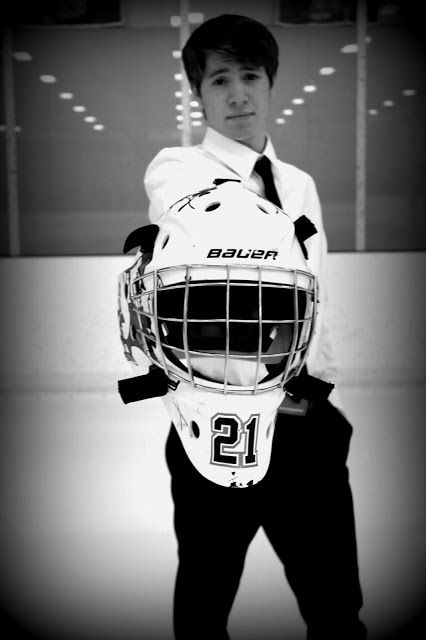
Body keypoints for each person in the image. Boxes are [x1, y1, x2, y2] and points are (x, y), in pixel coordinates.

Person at [143, 14, 367, 640]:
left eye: (250, 76)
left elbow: (311, 296)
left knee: (337, 612)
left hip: (303, 427)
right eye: (220, 80)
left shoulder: (299, 184)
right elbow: (211, 225)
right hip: (216, 426)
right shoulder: (178, 172)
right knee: (204, 614)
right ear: (199, 94)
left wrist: (320, 399)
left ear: (271, 85)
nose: (237, 93)